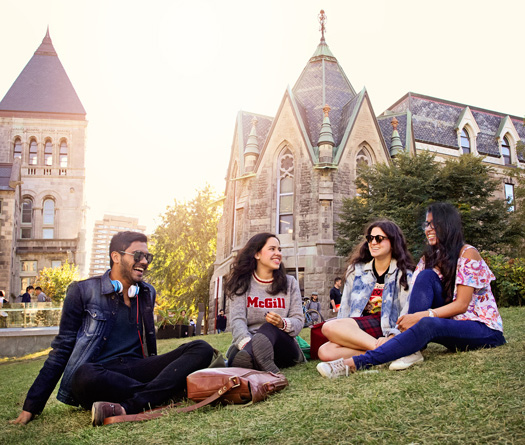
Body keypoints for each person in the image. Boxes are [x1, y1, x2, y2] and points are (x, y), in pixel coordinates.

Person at [10, 231, 214, 426]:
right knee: (84, 374)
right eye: (138, 255)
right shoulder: (82, 291)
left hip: (135, 370)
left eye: (147, 256)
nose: (144, 261)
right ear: (116, 256)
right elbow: (62, 349)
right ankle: (165, 391)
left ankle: (133, 404)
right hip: (100, 374)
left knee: (201, 348)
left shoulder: (146, 292)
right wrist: (32, 405)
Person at [317, 203, 506, 378]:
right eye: (426, 225)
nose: (428, 229)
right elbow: (417, 297)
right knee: (425, 278)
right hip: (448, 327)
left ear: (447, 225)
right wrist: (418, 318)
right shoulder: (428, 259)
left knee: (427, 322)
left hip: (482, 329)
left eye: (433, 224)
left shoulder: (467, 253)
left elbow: (462, 305)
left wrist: (423, 316)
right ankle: (409, 348)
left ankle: (354, 364)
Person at [317, 220, 415, 363]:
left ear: (393, 242)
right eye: (370, 238)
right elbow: (345, 307)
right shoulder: (356, 271)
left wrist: (395, 335)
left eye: (379, 238)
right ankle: (390, 351)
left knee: (329, 327)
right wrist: (341, 333)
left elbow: (407, 311)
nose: (373, 242)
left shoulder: (404, 273)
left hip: (388, 328)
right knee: (325, 352)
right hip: (360, 329)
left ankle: (390, 346)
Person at [225, 232, 305, 373]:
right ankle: (251, 357)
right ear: (257, 254)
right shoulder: (241, 284)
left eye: (279, 250)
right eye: (272, 249)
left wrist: (281, 323)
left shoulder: (290, 283)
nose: (278, 253)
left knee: (269, 327)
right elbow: (237, 321)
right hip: (247, 343)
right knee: (239, 355)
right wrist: (249, 345)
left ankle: (249, 359)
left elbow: (298, 320)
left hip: (282, 346)